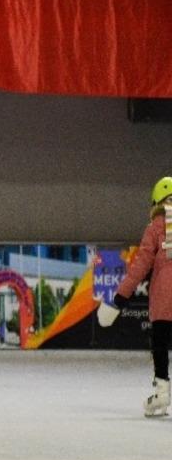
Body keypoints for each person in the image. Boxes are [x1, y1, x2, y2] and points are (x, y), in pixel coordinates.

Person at [97, 175, 172, 417]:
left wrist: (118, 299)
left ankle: (161, 392)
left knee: (160, 344)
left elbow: (139, 267)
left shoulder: (155, 228)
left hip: (165, 299)